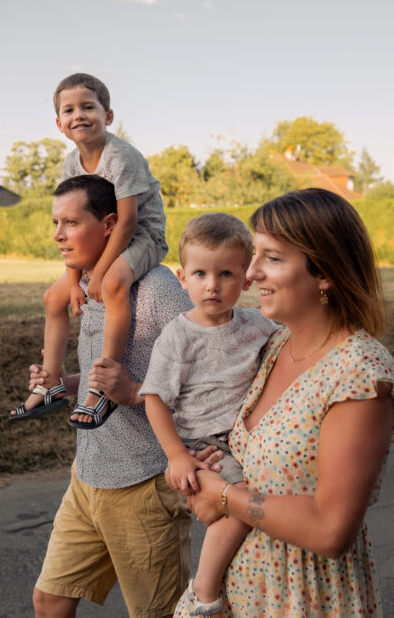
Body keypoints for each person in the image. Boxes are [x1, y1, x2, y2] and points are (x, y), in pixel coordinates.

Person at [175, 188, 394, 617]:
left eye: (273, 258)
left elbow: (330, 529)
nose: (249, 274)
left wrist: (226, 496)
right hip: (243, 589)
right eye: (254, 255)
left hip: (305, 598)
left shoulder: (358, 374)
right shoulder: (274, 345)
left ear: (325, 274)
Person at [28, 174, 192, 617]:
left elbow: (204, 379)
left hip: (145, 485)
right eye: (55, 222)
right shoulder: (83, 288)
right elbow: (103, 376)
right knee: (49, 601)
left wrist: (135, 392)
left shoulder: (156, 288)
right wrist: (63, 384)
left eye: (71, 222)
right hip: (87, 477)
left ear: (109, 224)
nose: (59, 235)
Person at [10, 73, 168, 430]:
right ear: (59, 124)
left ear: (108, 116)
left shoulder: (122, 157)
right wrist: (73, 280)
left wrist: (97, 274)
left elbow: (127, 223)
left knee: (112, 285)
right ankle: (50, 382)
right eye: (69, 110)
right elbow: (70, 220)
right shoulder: (71, 163)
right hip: (103, 236)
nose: (78, 114)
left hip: (144, 234)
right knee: (53, 299)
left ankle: (104, 387)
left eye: (88, 106)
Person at [139, 213, 277, 616]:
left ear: (246, 279)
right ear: (182, 278)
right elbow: (155, 400)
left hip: (243, 438)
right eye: (200, 274)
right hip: (204, 445)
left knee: (254, 504)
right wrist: (177, 456)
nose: (212, 285)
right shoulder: (178, 336)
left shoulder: (257, 325)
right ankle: (205, 592)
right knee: (240, 507)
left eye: (226, 274)